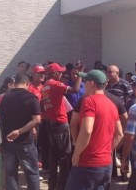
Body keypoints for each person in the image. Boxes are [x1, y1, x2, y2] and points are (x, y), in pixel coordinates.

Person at [65, 70, 124, 190]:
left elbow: (87, 130)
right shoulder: (112, 104)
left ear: (92, 83)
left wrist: (76, 154)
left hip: (88, 164)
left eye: (85, 81)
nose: (84, 84)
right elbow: (120, 134)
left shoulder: (89, 101)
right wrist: (107, 149)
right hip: (106, 164)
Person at [41, 62, 83, 190]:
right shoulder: (54, 84)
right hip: (60, 123)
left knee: (53, 155)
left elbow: (43, 105)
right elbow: (75, 90)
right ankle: (63, 185)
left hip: (51, 122)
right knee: (65, 155)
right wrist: (80, 74)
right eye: (59, 72)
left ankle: (52, 184)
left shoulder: (45, 86)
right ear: (54, 73)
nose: (61, 74)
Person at [0, 73, 41, 190]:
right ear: (27, 83)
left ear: (15, 83)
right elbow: (37, 119)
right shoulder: (31, 97)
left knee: (11, 175)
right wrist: (20, 131)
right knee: (32, 173)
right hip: (25, 142)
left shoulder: (4, 98)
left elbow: (1, 119)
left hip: (8, 142)